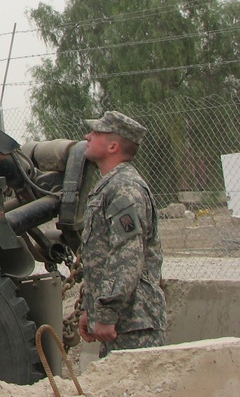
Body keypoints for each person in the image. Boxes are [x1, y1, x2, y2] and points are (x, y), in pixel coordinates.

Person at [78, 110, 166, 357]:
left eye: (96, 133)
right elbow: (101, 257)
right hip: (122, 322)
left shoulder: (125, 188)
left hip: (135, 325)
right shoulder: (110, 186)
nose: (88, 136)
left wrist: (106, 313)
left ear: (113, 146)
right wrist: (90, 308)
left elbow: (126, 255)